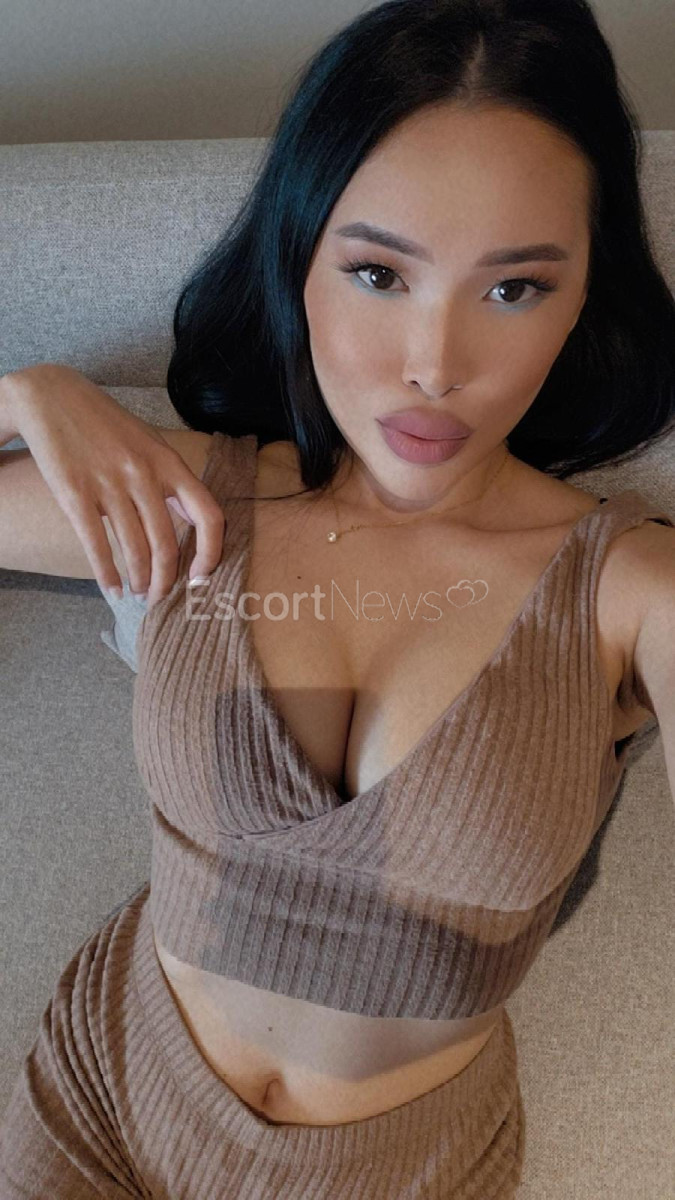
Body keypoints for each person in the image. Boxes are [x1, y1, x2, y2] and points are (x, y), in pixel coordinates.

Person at [1, 0, 674, 1196]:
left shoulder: (632, 590)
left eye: (514, 290)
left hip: (397, 1169)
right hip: (108, 1088)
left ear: (585, 297)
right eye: (377, 272)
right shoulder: (197, 501)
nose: (435, 364)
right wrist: (22, 393)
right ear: (299, 262)